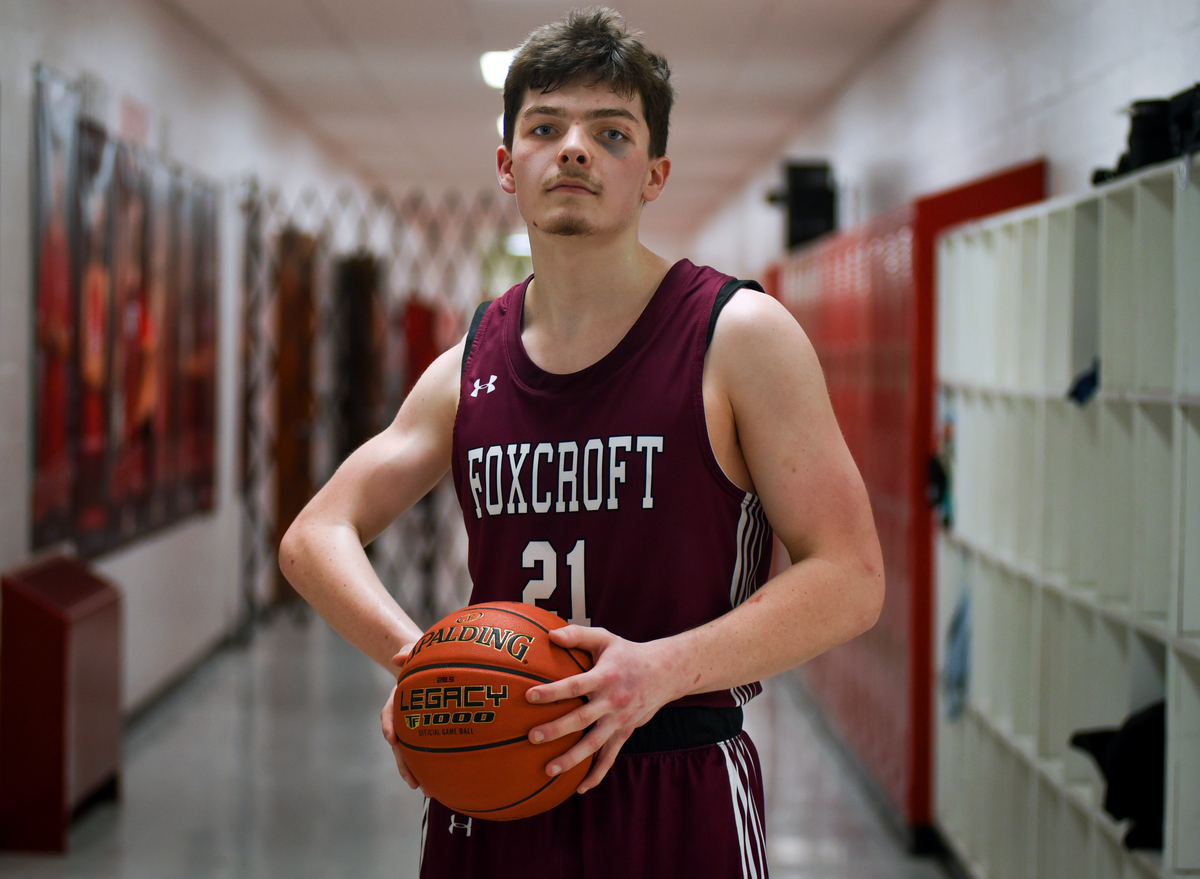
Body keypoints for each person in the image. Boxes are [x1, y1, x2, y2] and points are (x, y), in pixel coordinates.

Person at [280, 8, 884, 878]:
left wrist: (660, 670)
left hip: (673, 778)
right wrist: (425, 667)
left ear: (654, 174)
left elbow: (851, 575)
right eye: (544, 127)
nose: (573, 149)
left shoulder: (738, 335)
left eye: (611, 132)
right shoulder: (468, 364)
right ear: (507, 165)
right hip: (491, 796)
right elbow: (314, 535)